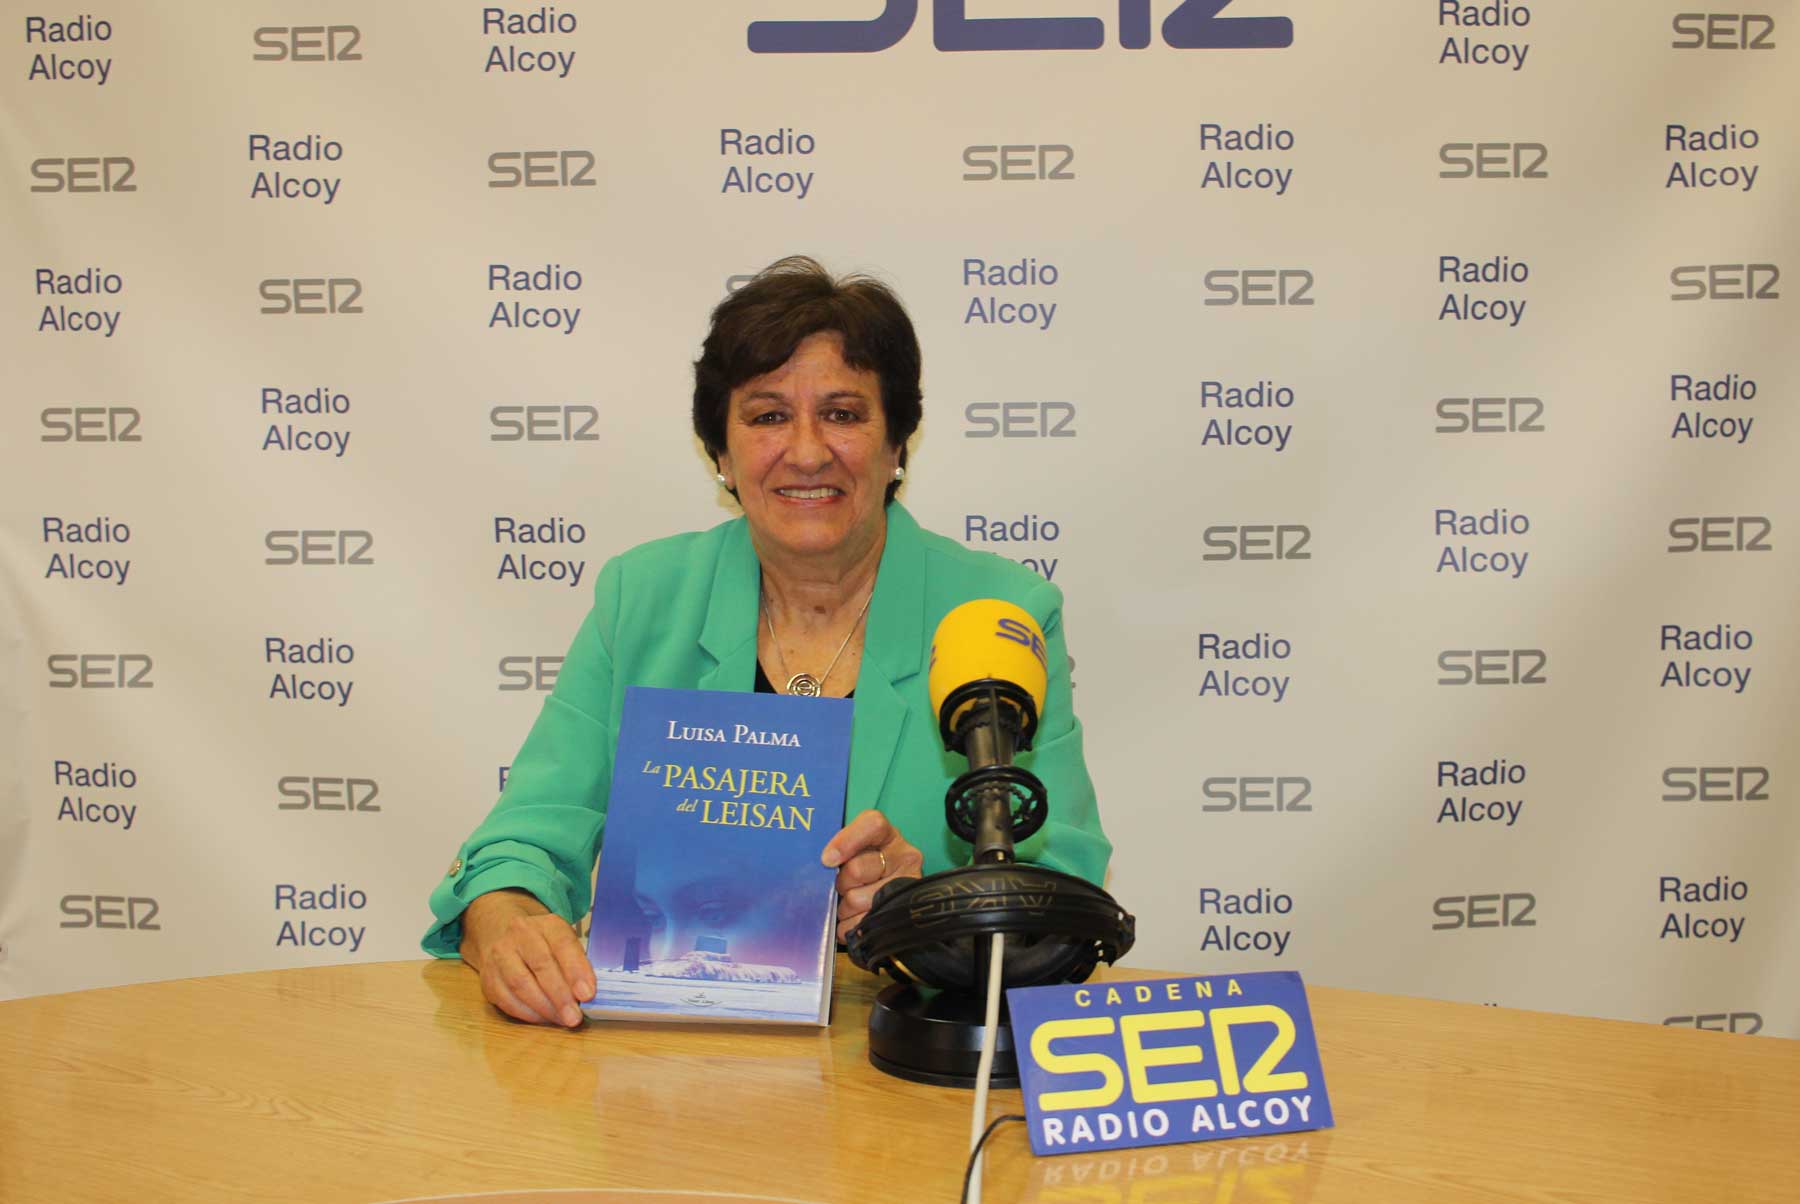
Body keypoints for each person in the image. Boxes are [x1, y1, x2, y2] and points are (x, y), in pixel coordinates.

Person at [423, 256, 1111, 1026]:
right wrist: (507, 925)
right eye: (767, 415)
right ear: (720, 452)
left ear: (897, 447)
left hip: (900, 1077)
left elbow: (1066, 894)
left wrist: (924, 916)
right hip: (668, 1078)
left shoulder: (1000, 611)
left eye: (845, 414)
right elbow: (521, 845)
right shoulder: (642, 599)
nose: (808, 451)